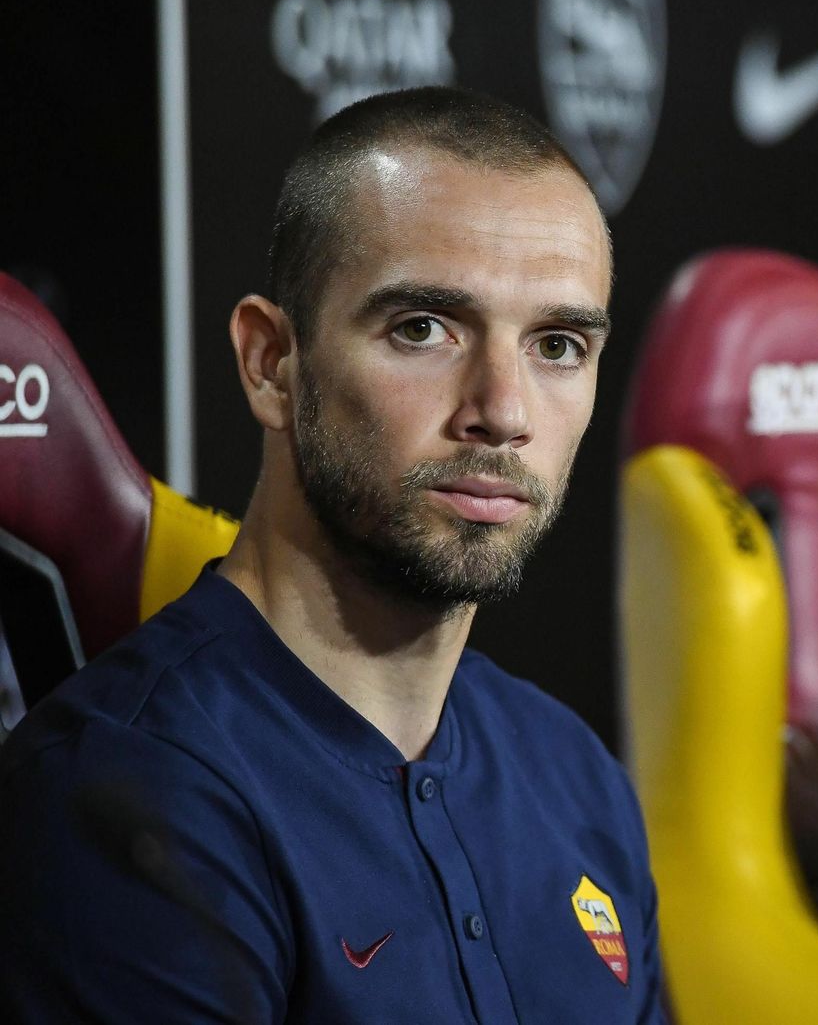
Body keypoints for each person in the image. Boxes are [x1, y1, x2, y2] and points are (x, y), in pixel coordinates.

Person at [0, 87, 662, 1023]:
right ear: (271, 362)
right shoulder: (125, 791)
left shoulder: (576, 776)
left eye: (557, 344)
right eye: (422, 329)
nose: (505, 411)